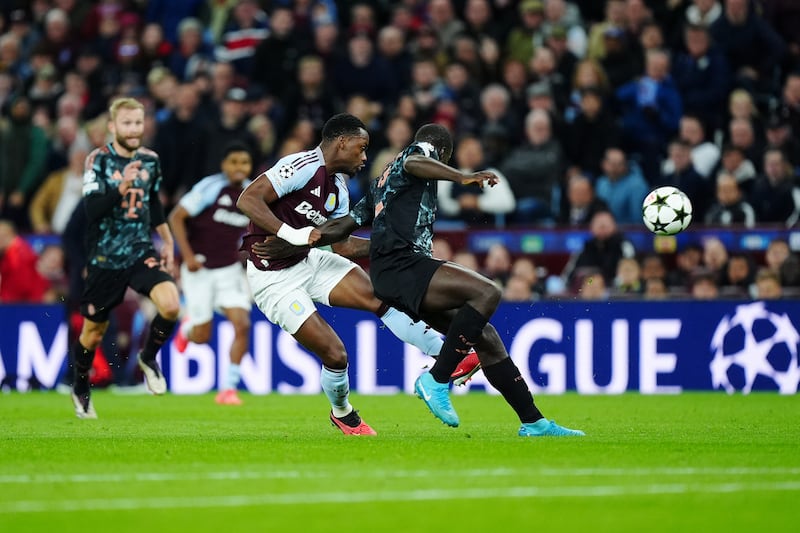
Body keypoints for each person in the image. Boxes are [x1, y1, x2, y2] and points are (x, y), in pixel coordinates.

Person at [280, 123, 583, 437]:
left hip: (391, 274)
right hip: (405, 266)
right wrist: (461, 176)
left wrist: (297, 240)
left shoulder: (383, 180)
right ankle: (437, 379)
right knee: (488, 292)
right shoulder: (417, 154)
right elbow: (416, 161)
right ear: (443, 154)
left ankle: (534, 422)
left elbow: (347, 225)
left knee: (487, 338)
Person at [236, 114, 477, 436]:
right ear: (342, 142)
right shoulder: (302, 165)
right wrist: (292, 235)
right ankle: (343, 413)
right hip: (272, 278)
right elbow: (247, 198)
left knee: (382, 297)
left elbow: (344, 246)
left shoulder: (338, 186)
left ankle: (449, 357)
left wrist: (395, 242)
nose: (364, 158)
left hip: (309, 262)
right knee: (336, 355)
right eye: (361, 149)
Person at [70, 97, 181, 419]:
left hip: (139, 250)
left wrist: (167, 241)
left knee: (171, 304)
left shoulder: (150, 160)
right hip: (105, 258)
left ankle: (148, 357)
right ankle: (80, 386)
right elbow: (91, 211)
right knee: (92, 333)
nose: (134, 129)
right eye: (127, 123)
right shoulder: (98, 161)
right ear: (112, 127)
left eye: (138, 122)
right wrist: (122, 186)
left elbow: (154, 205)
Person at [168, 142, 254, 406]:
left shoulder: (253, 192)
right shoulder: (211, 187)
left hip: (228, 269)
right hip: (200, 268)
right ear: (224, 165)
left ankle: (229, 388)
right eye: (234, 162)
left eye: (244, 162)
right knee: (203, 336)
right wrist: (188, 256)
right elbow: (176, 217)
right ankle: (188, 330)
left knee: (242, 325)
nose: (239, 168)